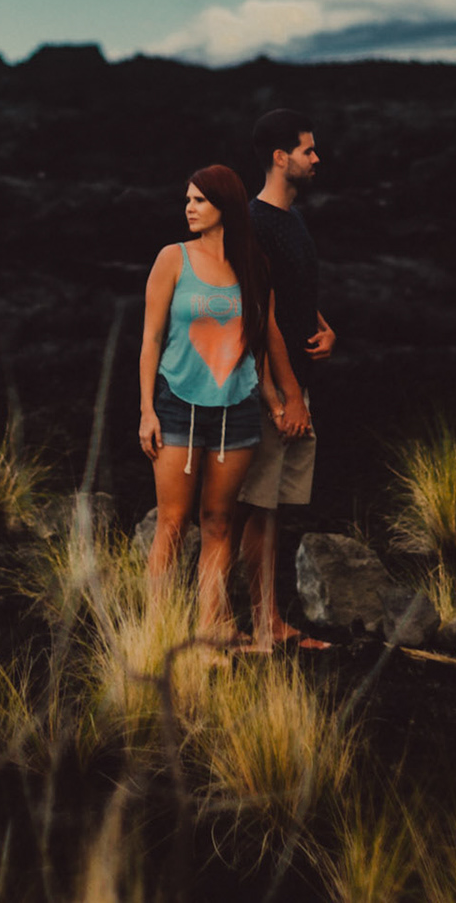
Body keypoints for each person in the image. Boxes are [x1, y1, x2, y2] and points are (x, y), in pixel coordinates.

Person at [138, 164, 307, 641]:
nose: (189, 208)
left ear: (224, 208)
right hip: (175, 407)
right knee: (171, 522)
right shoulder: (172, 259)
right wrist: (147, 410)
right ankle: (155, 633)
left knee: (219, 522)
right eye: (187, 200)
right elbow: (151, 339)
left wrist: (276, 402)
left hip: (236, 411)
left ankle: (209, 628)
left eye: (199, 201)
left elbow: (260, 342)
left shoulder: (254, 264)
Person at [238, 110, 337, 650]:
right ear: (280, 157)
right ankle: (263, 625)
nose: (317, 159)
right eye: (308, 150)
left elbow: (297, 294)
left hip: (294, 380)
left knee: (274, 510)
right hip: (268, 390)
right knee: (259, 509)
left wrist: (325, 328)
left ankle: (271, 621)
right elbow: (263, 315)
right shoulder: (255, 224)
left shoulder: (293, 219)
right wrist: (288, 397)